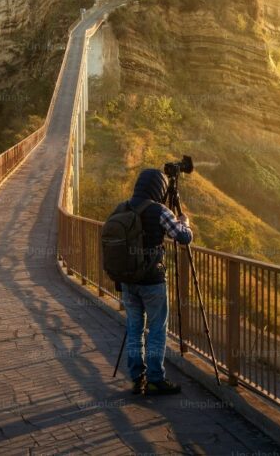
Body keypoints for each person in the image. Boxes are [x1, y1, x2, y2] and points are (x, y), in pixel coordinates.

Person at [112, 168, 192, 396]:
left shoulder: (122, 207)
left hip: (128, 281)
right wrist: (184, 222)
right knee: (157, 329)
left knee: (134, 328)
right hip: (152, 282)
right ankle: (157, 378)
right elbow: (184, 237)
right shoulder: (160, 210)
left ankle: (138, 378)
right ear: (159, 188)